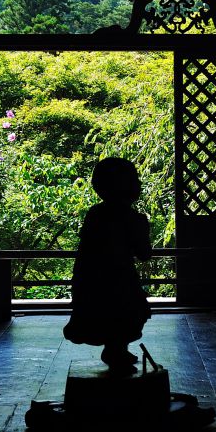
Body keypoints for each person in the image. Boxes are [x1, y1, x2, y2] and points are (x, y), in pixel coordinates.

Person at [63, 157, 152, 371]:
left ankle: (116, 348)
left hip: (92, 278)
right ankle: (116, 349)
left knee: (109, 314)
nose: (139, 185)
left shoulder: (95, 214)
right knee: (128, 313)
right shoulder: (131, 218)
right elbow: (144, 254)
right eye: (135, 180)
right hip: (119, 278)